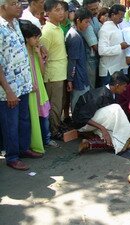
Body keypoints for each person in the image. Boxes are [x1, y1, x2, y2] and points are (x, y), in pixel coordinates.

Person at [0, 0, 43, 171]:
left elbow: (25, 48)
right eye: (14, 3)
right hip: (8, 89)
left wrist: (29, 80)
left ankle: (23, 149)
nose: (19, 6)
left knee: (24, 120)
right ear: (3, 6)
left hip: (23, 84)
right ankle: (12, 157)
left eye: (19, 2)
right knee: (11, 124)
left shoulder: (16, 23)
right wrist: (8, 91)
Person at [20, 20, 59, 151]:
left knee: (44, 115)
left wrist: (38, 53)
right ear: (26, 38)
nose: (37, 40)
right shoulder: (22, 53)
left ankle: (46, 139)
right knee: (32, 117)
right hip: (30, 89)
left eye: (38, 38)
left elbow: (42, 72)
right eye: (35, 37)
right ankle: (36, 142)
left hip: (39, 87)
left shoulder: (34, 50)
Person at [73, 71, 130, 154]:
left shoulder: (114, 94)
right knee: (116, 108)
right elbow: (82, 117)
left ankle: (89, 143)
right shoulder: (98, 95)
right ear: (117, 86)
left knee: (114, 134)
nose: (125, 89)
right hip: (82, 124)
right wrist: (103, 128)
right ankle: (125, 138)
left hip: (93, 119)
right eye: (124, 86)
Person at [39, 0, 67, 140]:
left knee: (59, 104)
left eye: (62, 9)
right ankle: (52, 132)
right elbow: (43, 57)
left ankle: (55, 127)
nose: (61, 12)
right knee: (54, 105)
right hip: (52, 74)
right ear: (47, 13)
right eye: (57, 10)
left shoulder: (59, 28)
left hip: (60, 72)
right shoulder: (47, 31)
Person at [66, 8, 92, 111]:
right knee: (78, 104)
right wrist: (70, 80)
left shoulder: (76, 34)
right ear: (78, 20)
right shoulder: (74, 37)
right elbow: (72, 61)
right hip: (78, 77)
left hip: (81, 75)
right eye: (86, 22)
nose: (88, 25)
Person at [98, 4, 129, 86]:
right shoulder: (105, 29)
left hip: (116, 68)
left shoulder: (116, 26)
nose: (122, 19)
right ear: (112, 15)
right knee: (107, 96)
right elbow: (102, 51)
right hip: (108, 70)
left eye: (123, 16)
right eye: (120, 16)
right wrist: (120, 47)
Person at [81, 0, 101, 88]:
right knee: (91, 86)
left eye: (97, 8)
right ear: (85, 8)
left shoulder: (95, 18)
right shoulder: (85, 23)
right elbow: (95, 46)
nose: (96, 11)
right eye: (92, 9)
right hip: (89, 59)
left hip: (97, 57)